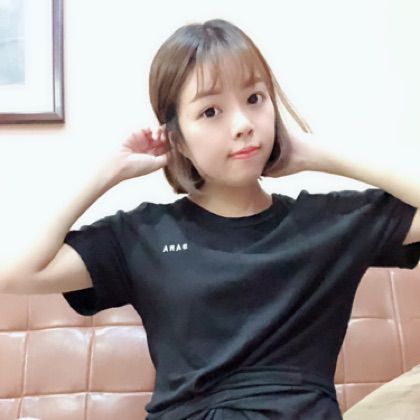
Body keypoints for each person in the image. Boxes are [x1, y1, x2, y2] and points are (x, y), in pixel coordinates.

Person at [1, 18, 420, 420]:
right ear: (177, 138)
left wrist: (321, 154)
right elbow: (14, 271)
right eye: (210, 112)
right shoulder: (144, 235)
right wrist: (106, 173)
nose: (243, 125)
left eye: (254, 99)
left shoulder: (328, 223)